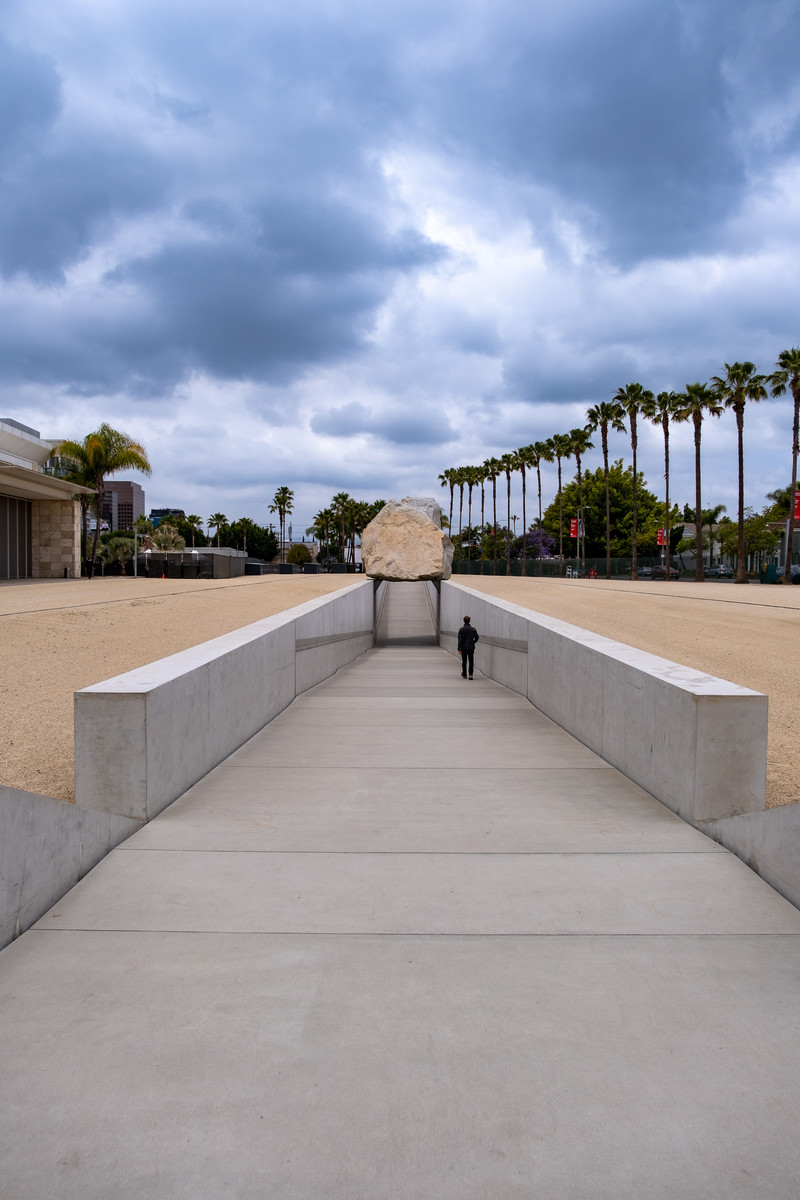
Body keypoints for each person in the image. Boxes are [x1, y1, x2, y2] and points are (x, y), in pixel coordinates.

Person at [457, 615, 479, 679]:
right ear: (469, 621)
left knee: (464, 661)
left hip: (463, 648)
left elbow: (460, 640)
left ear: (464, 621)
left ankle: (464, 674)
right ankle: (470, 674)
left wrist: (459, 648)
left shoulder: (462, 629)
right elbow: (477, 638)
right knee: (471, 661)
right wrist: (473, 642)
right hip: (471, 648)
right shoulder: (473, 629)